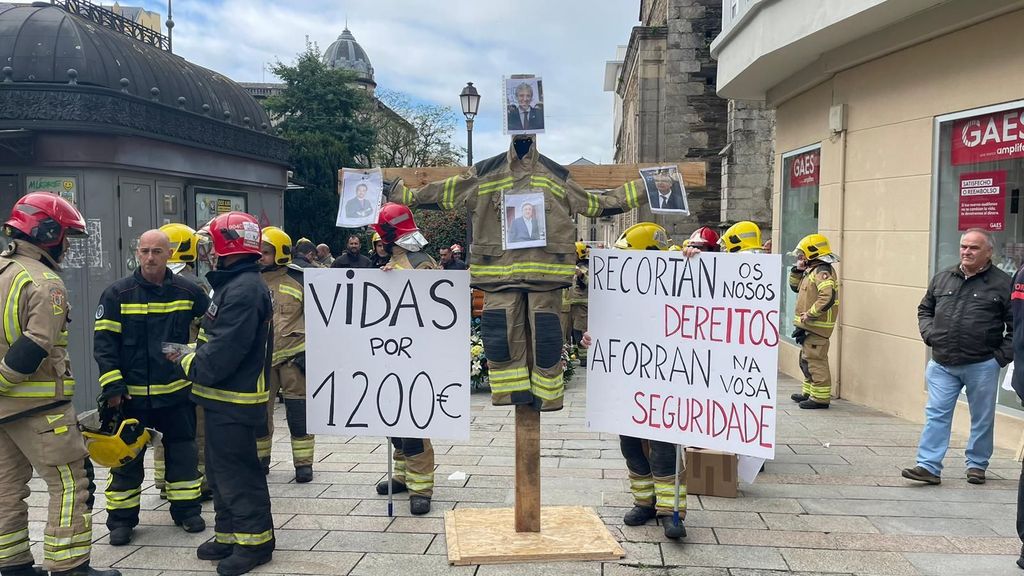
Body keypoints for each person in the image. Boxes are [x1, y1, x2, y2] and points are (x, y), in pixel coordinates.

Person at [385, 135, 646, 411]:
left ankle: (548, 394)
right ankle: (509, 391)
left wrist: (646, 188)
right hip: (503, 273)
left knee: (544, 337)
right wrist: (406, 197)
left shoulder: (553, 175)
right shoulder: (486, 173)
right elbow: (445, 192)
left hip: (536, 275)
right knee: (500, 333)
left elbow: (599, 205)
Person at [0, 192, 120, 576]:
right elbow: (35, 344)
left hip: (4, 414)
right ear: (48, 232)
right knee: (71, 484)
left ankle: (13, 563)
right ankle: (70, 567)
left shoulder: (2, 272)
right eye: (65, 236)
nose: (67, 245)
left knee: (7, 487)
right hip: (40, 410)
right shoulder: (44, 282)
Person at [169, 212, 275, 575]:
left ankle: (255, 543)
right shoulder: (235, 283)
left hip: (234, 399)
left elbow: (225, 349)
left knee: (238, 473)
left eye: (211, 243)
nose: (207, 250)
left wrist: (188, 363)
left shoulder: (244, 288)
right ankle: (230, 534)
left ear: (227, 245)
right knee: (219, 472)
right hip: (220, 398)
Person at [94, 229, 209, 545]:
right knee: (126, 459)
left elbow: (214, 325)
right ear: (137, 253)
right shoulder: (117, 294)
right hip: (130, 397)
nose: (149, 257)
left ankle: (187, 511)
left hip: (175, 392)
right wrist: (113, 386)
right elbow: (104, 345)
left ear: (169, 254)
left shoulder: (189, 291)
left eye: (156, 251)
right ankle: (121, 521)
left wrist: (197, 358)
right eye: (144, 251)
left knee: (184, 455)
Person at [583, 222, 687, 540]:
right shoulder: (620, 289)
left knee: (663, 448)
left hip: (664, 382)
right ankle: (645, 502)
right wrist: (592, 338)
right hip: (627, 382)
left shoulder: (681, 279)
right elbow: (610, 323)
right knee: (630, 444)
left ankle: (672, 513)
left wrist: (693, 257)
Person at [903, 228, 1012, 486]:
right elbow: (925, 309)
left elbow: (1017, 325)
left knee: (982, 417)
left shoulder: (1002, 283)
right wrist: (930, 335)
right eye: (964, 246)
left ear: (989, 252)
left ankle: (977, 464)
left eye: (974, 248)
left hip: (982, 364)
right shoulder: (943, 278)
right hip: (942, 363)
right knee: (936, 414)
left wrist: (999, 357)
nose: (966, 251)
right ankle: (928, 466)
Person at [370, 203, 438, 515]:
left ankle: (421, 486)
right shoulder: (398, 261)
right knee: (392, 419)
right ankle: (402, 474)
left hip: (414, 356)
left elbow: (429, 311)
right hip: (389, 353)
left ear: (388, 235)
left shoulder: (419, 264)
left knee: (411, 422)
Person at [152, 223, 211, 502]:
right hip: (187, 366)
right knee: (194, 427)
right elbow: (207, 325)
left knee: (164, 427)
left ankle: (162, 479)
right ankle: (199, 480)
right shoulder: (194, 285)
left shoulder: (150, 280)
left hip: (159, 366)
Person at [256, 226, 315, 483]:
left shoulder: (300, 279)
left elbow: (320, 319)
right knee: (259, 415)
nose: (260, 257)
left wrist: (310, 353)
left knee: (299, 413)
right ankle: (260, 461)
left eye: (266, 252)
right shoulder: (251, 280)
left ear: (280, 253)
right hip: (261, 361)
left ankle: (303, 464)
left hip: (294, 360)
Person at [788, 234, 840, 409]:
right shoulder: (812, 270)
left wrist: (810, 314)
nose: (800, 257)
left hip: (816, 326)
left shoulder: (822, 271)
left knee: (816, 361)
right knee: (806, 359)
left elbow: (827, 296)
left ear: (812, 253)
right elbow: (795, 287)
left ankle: (820, 398)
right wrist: (797, 269)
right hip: (809, 325)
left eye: (802, 254)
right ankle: (809, 392)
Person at [568, 242, 589, 367]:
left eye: (573, 253)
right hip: (572, 305)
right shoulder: (574, 267)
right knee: (573, 333)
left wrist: (581, 275)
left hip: (582, 307)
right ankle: (576, 354)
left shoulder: (586, 267)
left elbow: (590, 282)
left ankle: (584, 358)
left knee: (579, 331)